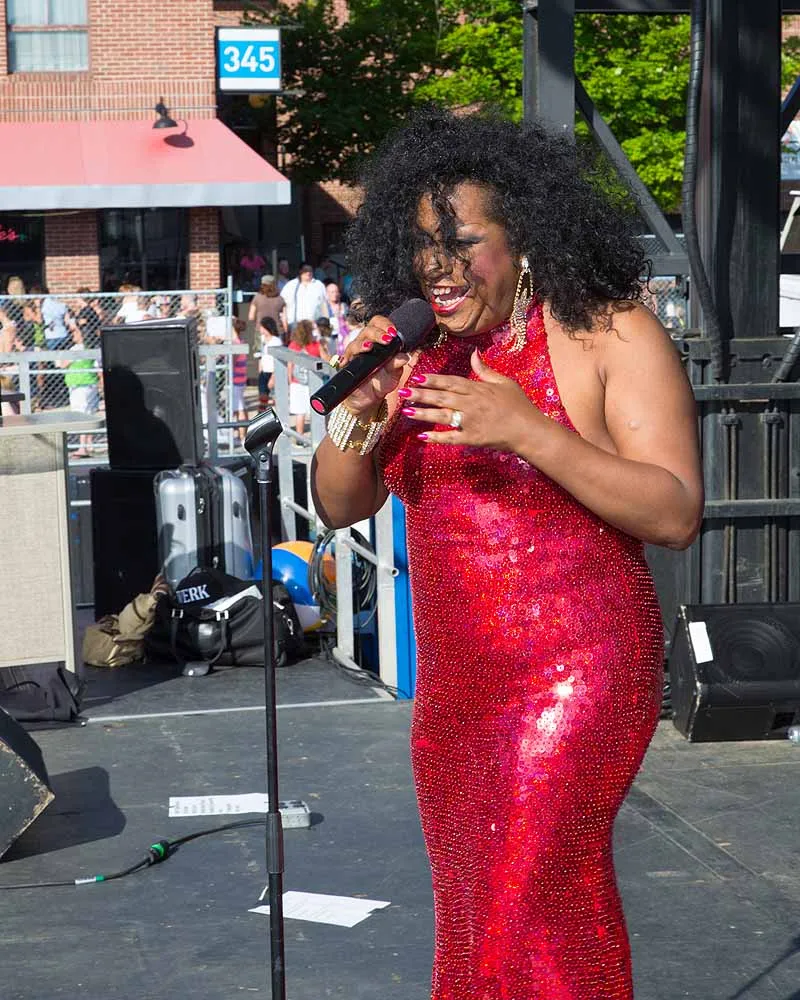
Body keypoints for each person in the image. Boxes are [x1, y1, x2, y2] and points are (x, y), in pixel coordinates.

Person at [310, 108, 703, 1000]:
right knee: (479, 908)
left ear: (523, 235)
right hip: (456, 687)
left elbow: (676, 510)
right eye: (422, 245)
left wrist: (528, 431)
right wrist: (359, 414)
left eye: (462, 242)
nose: (438, 267)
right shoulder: (414, 352)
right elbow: (340, 505)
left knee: (533, 892)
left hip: (579, 673)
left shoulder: (606, 331)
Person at [288, 318, 329, 437]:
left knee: (300, 413)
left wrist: (290, 380)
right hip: (314, 382)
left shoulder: (293, 345)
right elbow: (327, 359)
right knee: (316, 411)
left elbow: (290, 365)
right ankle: (319, 437)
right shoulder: (316, 345)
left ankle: (300, 437)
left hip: (297, 382)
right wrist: (325, 347)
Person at [281, 263, 329, 332]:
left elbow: (324, 305)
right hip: (295, 326)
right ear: (300, 271)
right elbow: (283, 306)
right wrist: (285, 326)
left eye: (310, 270)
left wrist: (325, 323)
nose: (308, 272)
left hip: (315, 326)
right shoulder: (290, 286)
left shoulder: (319, 285)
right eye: (305, 270)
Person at [257, 315, 284, 409]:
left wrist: (273, 377)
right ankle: (262, 414)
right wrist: (260, 369)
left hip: (272, 372)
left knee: (275, 398)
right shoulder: (262, 339)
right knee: (262, 397)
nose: (260, 329)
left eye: (261, 327)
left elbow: (278, 359)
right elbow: (261, 355)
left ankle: (278, 414)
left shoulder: (276, 341)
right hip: (263, 372)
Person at [248, 275, 287, 339]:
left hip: (261, 331)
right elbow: (284, 319)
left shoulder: (257, 297)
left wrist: (258, 322)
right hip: (277, 331)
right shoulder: (280, 299)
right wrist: (286, 332)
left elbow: (251, 317)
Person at [230, 316, 250, 443]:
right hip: (241, 380)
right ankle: (241, 434)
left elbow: (231, 364)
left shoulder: (235, 344)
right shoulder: (241, 341)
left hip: (235, 381)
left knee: (239, 408)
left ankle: (242, 436)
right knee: (240, 406)